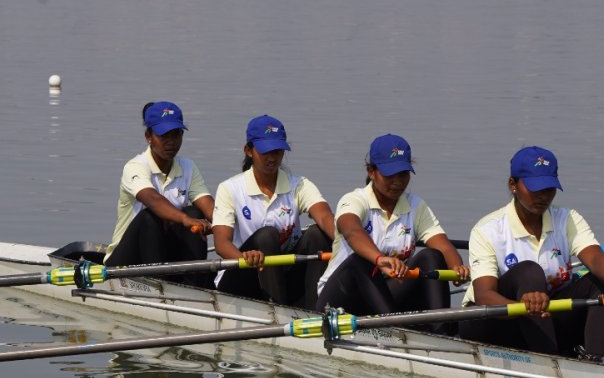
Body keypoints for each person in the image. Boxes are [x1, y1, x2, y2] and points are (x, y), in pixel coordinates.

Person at [458, 146, 604, 360]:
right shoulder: (488, 230)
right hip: (493, 323)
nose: (543, 196)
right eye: (535, 188)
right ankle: (551, 361)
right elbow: (483, 294)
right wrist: (522, 307)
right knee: (529, 272)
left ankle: (595, 361)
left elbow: (594, 256)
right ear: (513, 185)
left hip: (545, 318)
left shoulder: (567, 219)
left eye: (549, 188)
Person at [315, 134, 470, 332]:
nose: (397, 182)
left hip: (384, 297)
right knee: (361, 261)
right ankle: (398, 332)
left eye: (403, 174)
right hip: (341, 299)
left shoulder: (416, 206)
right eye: (390, 174)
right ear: (371, 172)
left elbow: (442, 244)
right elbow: (352, 231)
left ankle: (442, 333)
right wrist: (379, 259)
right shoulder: (355, 200)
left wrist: (457, 267)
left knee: (431, 256)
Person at [211, 115, 336, 308]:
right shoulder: (230, 188)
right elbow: (221, 244)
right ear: (249, 151)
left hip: (284, 277)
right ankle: (280, 314)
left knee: (317, 234)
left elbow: (325, 216)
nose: (272, 157)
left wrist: (348, 243)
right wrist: (244, 258)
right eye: (265, 151)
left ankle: (315, 312)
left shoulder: (299, 185)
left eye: (277, 151)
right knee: (266, 236)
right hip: (244, 276)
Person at [104, 101, 214, 285]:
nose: (171, 142)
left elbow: (209, 206)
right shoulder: (135, 166)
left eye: (176, 135)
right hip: (125, 262)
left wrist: (219, 224)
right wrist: (186, 221)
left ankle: (195, 284)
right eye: (164, 135)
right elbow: (152, 199)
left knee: (195, 212)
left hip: (165, 257)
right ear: (148, 136)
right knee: (151, 217)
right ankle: (159, 285)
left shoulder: (188, 167)